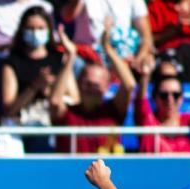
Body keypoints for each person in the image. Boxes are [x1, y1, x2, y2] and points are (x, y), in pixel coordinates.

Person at [50, 21, 136, 154]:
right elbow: (55, 101)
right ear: (79, 83)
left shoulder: (113, 111)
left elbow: (129, 85)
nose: (91, 89)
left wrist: (107, 48)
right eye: (87, 83)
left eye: (96, 85)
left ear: (107, 86)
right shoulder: (68, 114)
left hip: (105, 174)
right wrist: (71, 56)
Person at [0, 6, 73, 151]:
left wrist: (52, 89)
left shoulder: (58, 59)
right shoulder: (12, 62)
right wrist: (34, 86)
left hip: (54, 122)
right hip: (25, 123)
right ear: (22, 30)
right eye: (30, 28)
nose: (35, 32)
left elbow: (74, 98)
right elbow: (9, 110)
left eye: (40, 28)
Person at [59, 0, 154, 75]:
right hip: (88, 58)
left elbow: (146, 36)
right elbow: (67, 16)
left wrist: (139, 58)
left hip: (123, 59)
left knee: (148, 63)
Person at [0, 0, 53, 74]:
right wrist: (7, 46)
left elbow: (52, 40)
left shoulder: (45, 6)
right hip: (1, 59)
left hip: (35, 58)